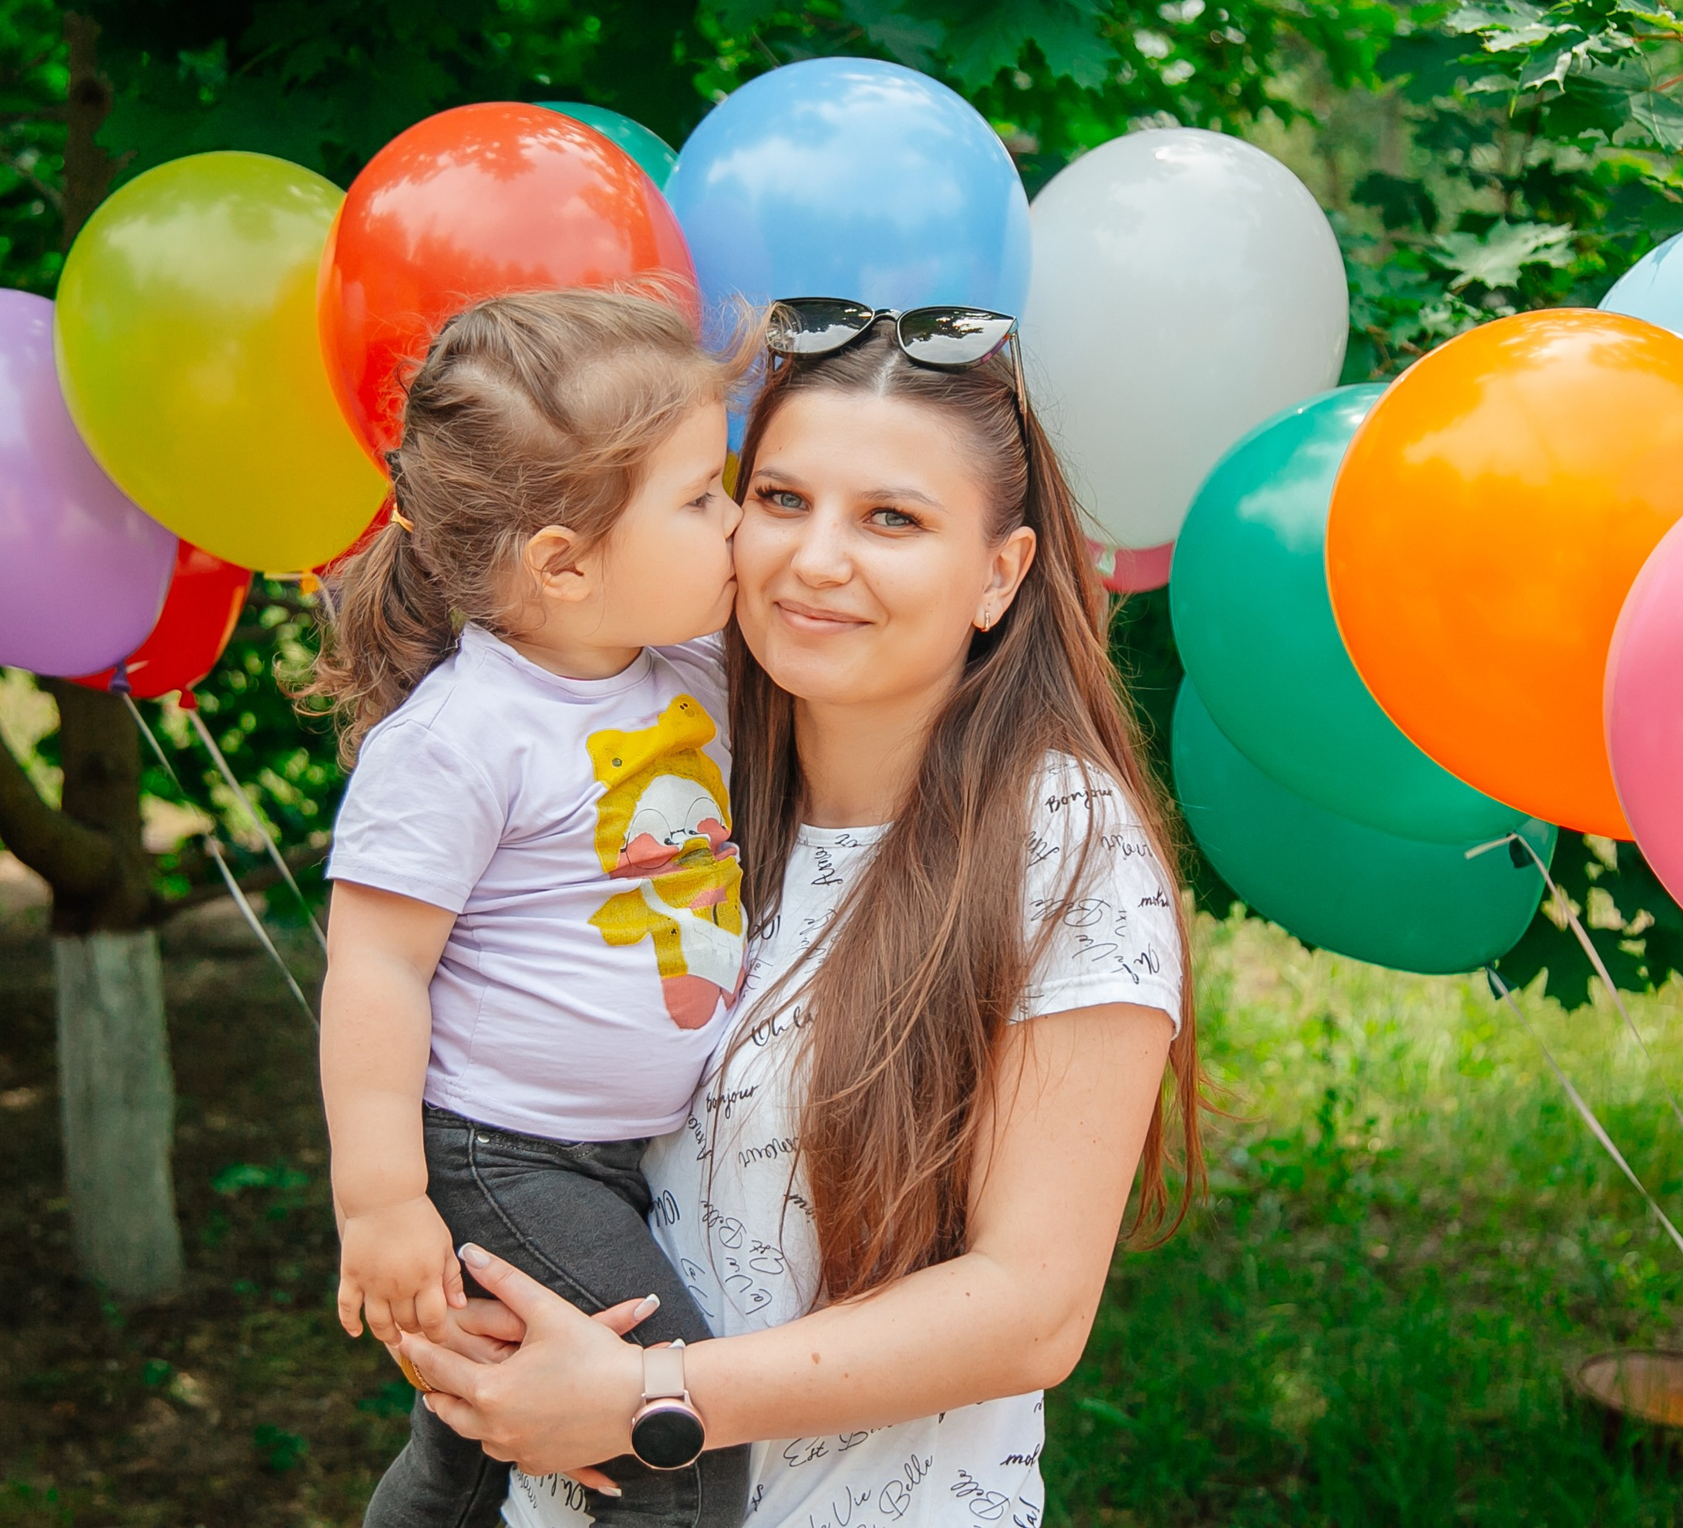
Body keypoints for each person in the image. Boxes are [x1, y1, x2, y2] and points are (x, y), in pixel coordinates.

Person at [394, 301, 1201, 1525]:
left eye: (891, 518)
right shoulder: (671, 779)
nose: (815, 558)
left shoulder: (1058, 840)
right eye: (778, 498)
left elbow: (1031, 1305)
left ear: (1000, 573)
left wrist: (648, 1395)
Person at [307, 287, 755, 1526]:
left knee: (466, 1447)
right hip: (502, 1152)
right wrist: (381, 1200)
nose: (736, 521)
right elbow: (376, 968)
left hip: (613, 1156)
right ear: (562, 562)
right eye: (700, 498)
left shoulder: (691, 666)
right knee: (673, 1445)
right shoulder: (460, 738)